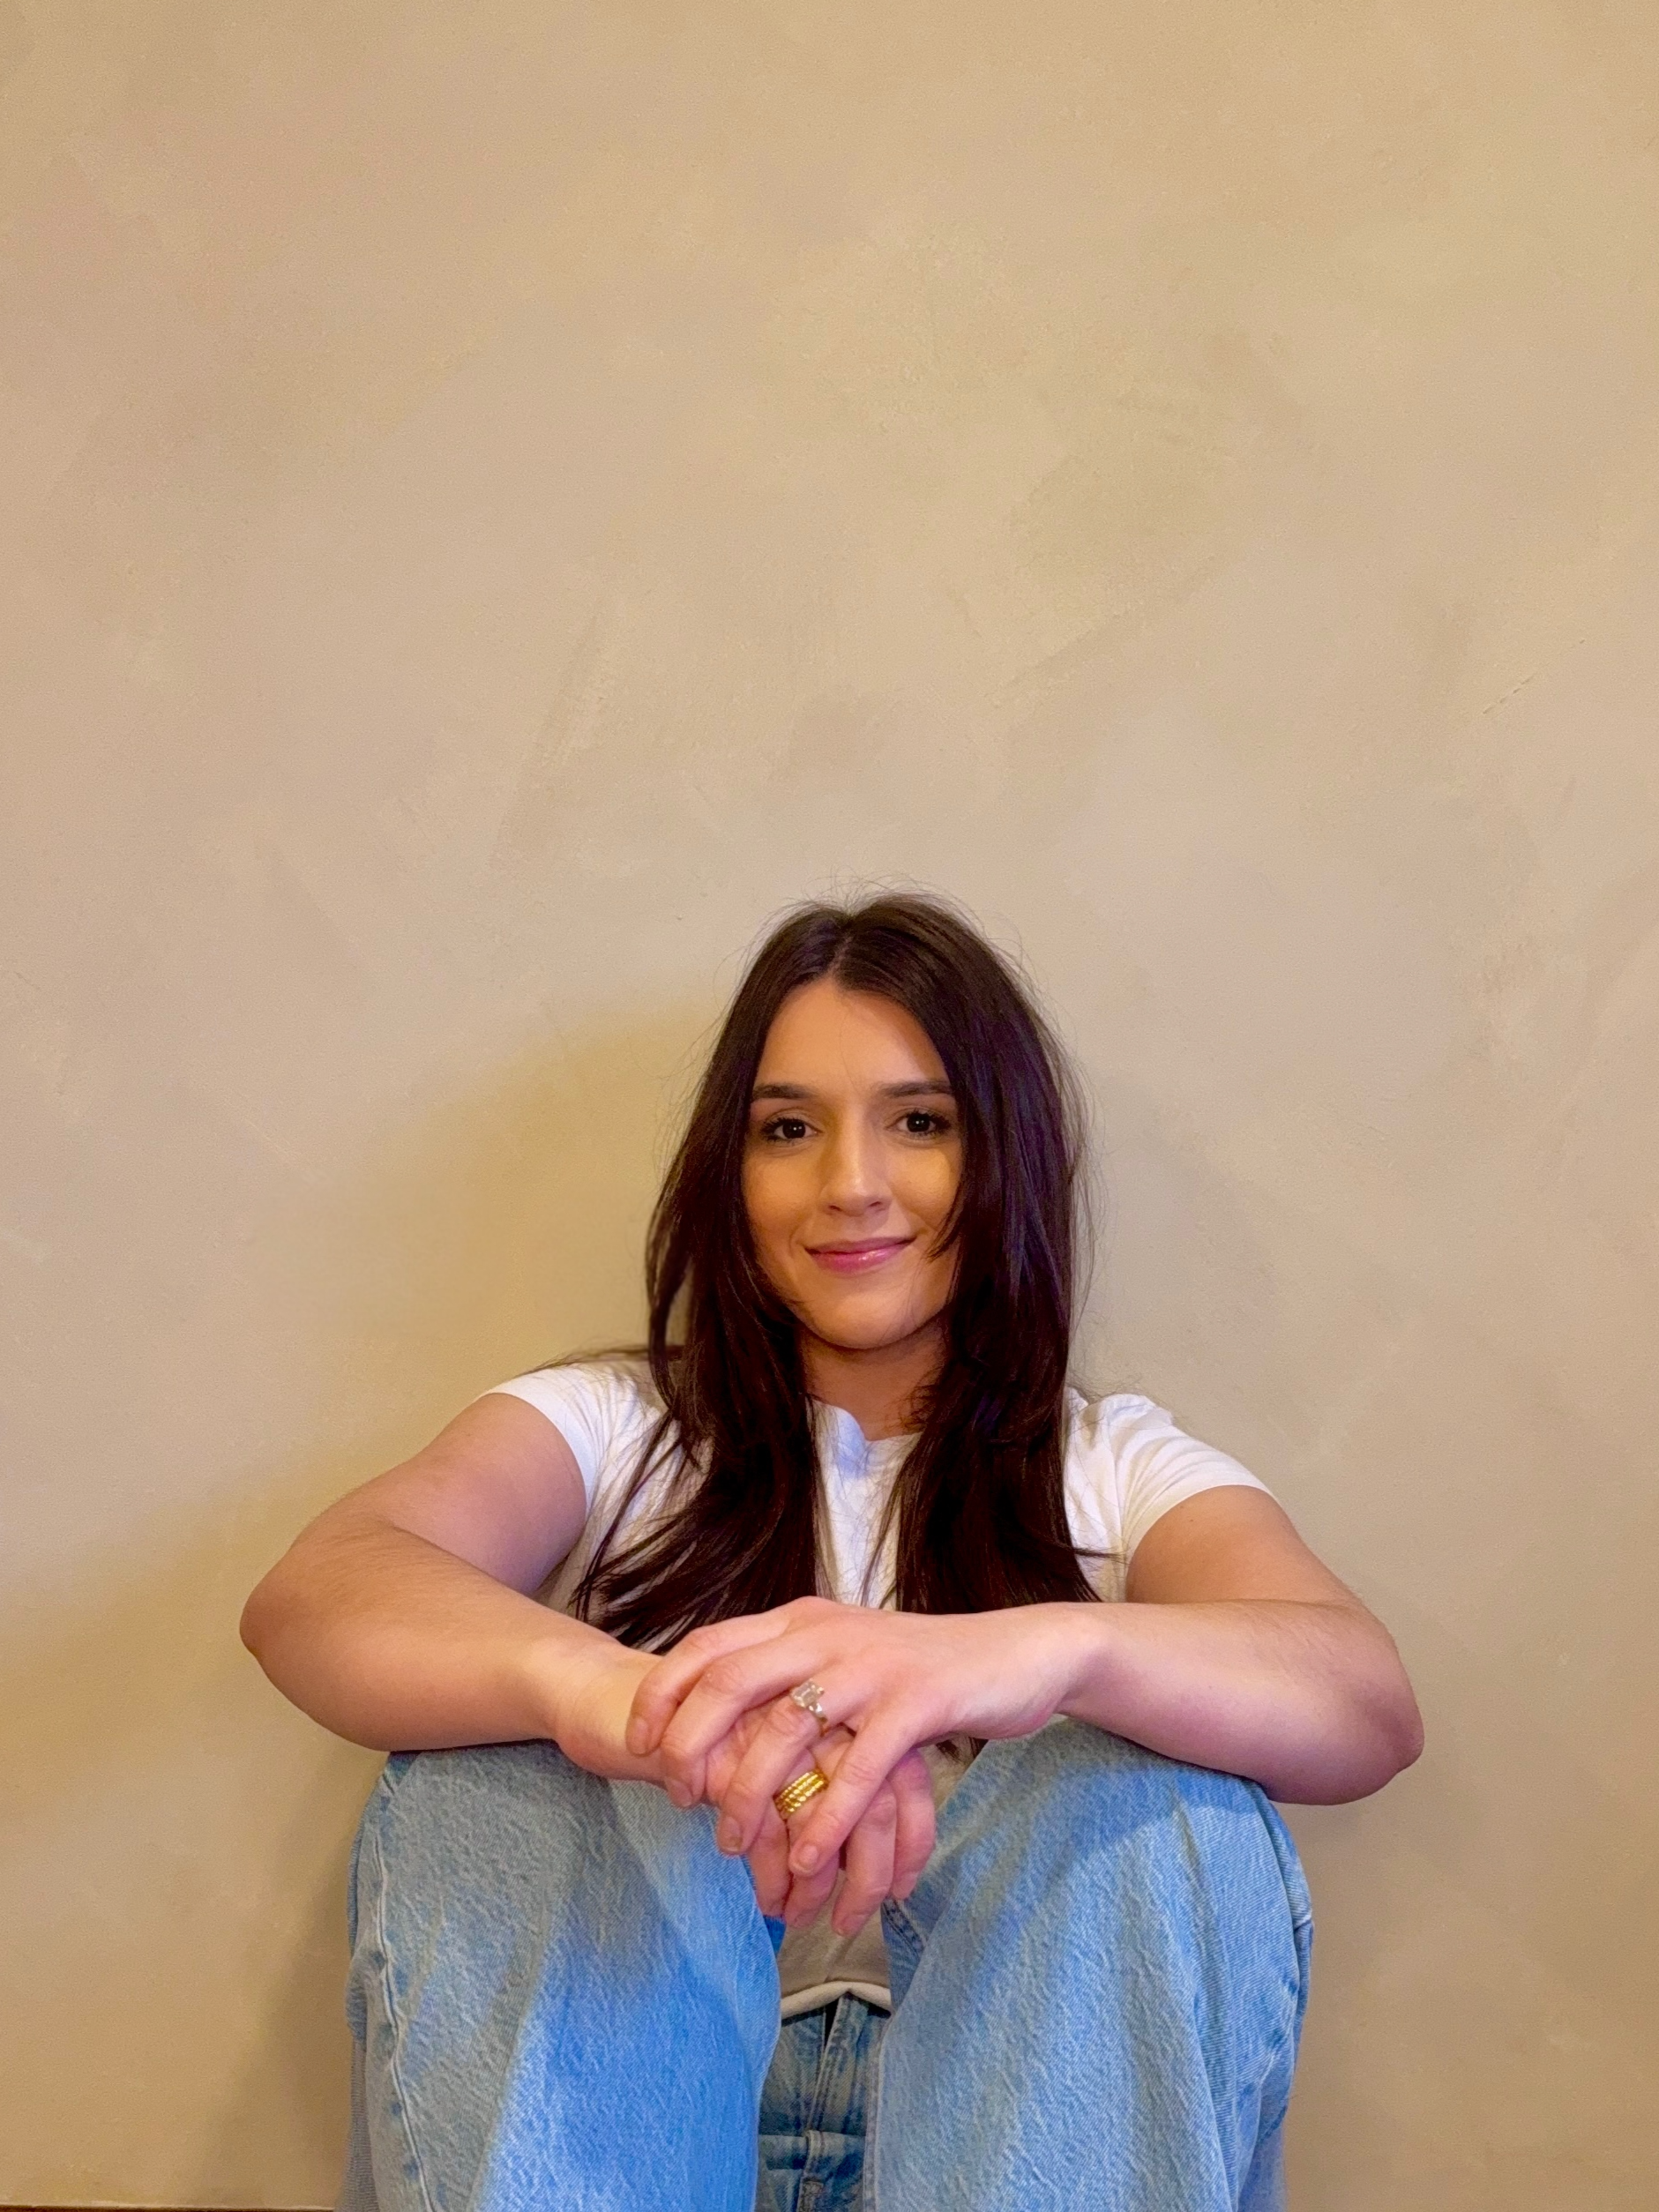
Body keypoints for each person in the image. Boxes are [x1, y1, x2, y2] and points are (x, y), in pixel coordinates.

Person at [241, 892, 1423, 2212]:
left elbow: (1363, 1702)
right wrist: (634, 1707)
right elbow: (323, 1590)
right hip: (648, 2116)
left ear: (1003, 1159)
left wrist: (1038, 1652)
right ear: (729, 1178)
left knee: (1144, 1802)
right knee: (488, 1787)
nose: (851, 1182)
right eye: (787, 1129)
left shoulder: (1116, 1467)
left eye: (919, 1122)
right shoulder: (618, 1425)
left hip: (1020, 2123)